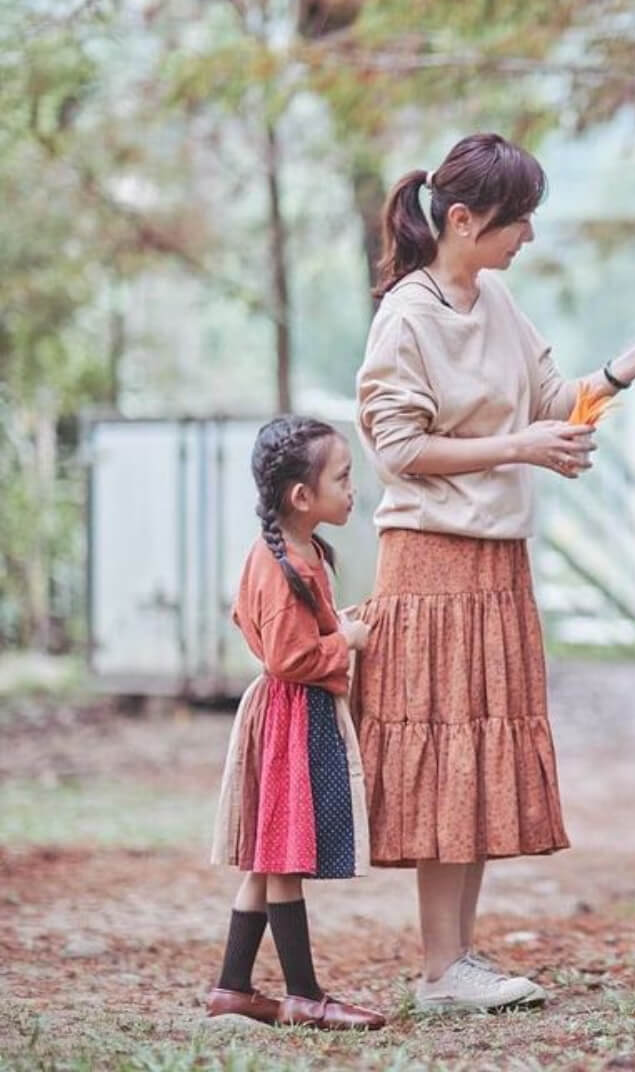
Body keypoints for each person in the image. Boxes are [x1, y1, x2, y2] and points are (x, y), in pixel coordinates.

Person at [354, 132, 635, 1013]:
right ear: (462, 220)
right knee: (442, 756)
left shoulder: (497, 300)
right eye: (518, 221)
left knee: (478, 753)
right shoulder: (407, 316)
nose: (528, 238)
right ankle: (441, 968)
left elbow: (553, 402)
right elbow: (396, 447)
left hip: (497, 562)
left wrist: (626, 368)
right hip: (428, 565)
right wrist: (521, 449)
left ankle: (456, 960)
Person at [205, 415, 385, 1031]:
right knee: (282, 858)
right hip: (290, 718)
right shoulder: (283, 563)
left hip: (288, 711)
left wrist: (339, 623)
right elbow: (289, 656)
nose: (352, 487)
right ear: (301, 497)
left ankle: (232, 986)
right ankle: (304, 995)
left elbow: (281, 629)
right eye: (343, 476)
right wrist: (347, 644)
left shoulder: (296, 551)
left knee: (267, 856)